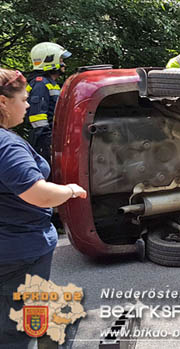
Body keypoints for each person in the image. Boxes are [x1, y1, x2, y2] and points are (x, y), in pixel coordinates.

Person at [0, 68, 87, 348]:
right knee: (16, 330)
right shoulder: (7, 147)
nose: (27, 105)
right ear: (3, 102)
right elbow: (38, 194)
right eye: (23, 99)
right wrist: (70, 190)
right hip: (19, 251)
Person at [26, 42, 71, 165]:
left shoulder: (50, 83)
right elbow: (37, 118)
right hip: (43, 141)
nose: (64, 64)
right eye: (61, 60)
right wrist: (47, 141)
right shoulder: (40, 83)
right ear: (50, 60)